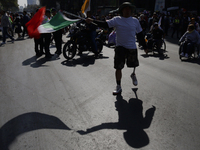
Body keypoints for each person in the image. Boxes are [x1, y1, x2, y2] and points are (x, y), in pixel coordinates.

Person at [86, 2, 147, 95]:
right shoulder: (117, 20)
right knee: (118, 67)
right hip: (120, 47)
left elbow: (140, 35)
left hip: (132, 47)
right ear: (122, 10)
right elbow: (105, 24)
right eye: (125, 9)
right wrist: (92, 21)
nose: (127, 10)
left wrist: (145, 47)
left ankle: (133, 74)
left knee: (133, 64)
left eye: (129, 9)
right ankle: (118, 86)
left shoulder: (135, 21)